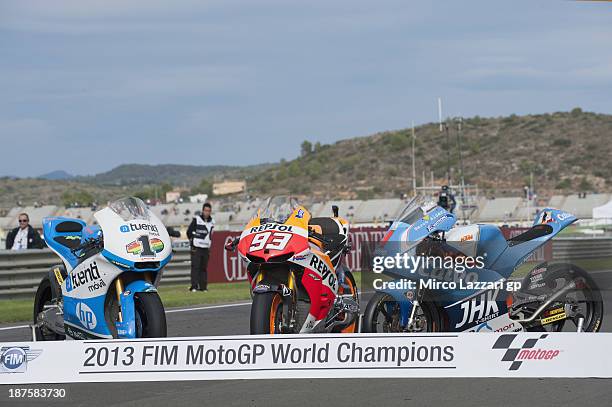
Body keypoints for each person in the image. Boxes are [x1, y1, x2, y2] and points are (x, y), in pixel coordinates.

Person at [187, 202, 214, 292]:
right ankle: (194, 287)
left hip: (206, 249)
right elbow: (189, 232)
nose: (207, 212)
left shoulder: (212, 221)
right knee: (195, 267)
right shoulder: (197, 219)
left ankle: (203, 287)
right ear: (203, 211)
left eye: (209, 211)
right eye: (205, 210)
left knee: (203, 268)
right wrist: (193, 241)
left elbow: (211, 235)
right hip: (196, 248)